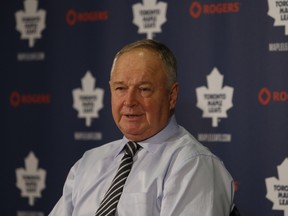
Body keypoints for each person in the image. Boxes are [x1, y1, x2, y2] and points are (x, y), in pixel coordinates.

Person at [49, 39, 235, 216]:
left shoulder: (192, 164)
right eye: (120, 88)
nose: (129, 101)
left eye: (144, 89)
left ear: (172, 96)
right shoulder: (88, 163)